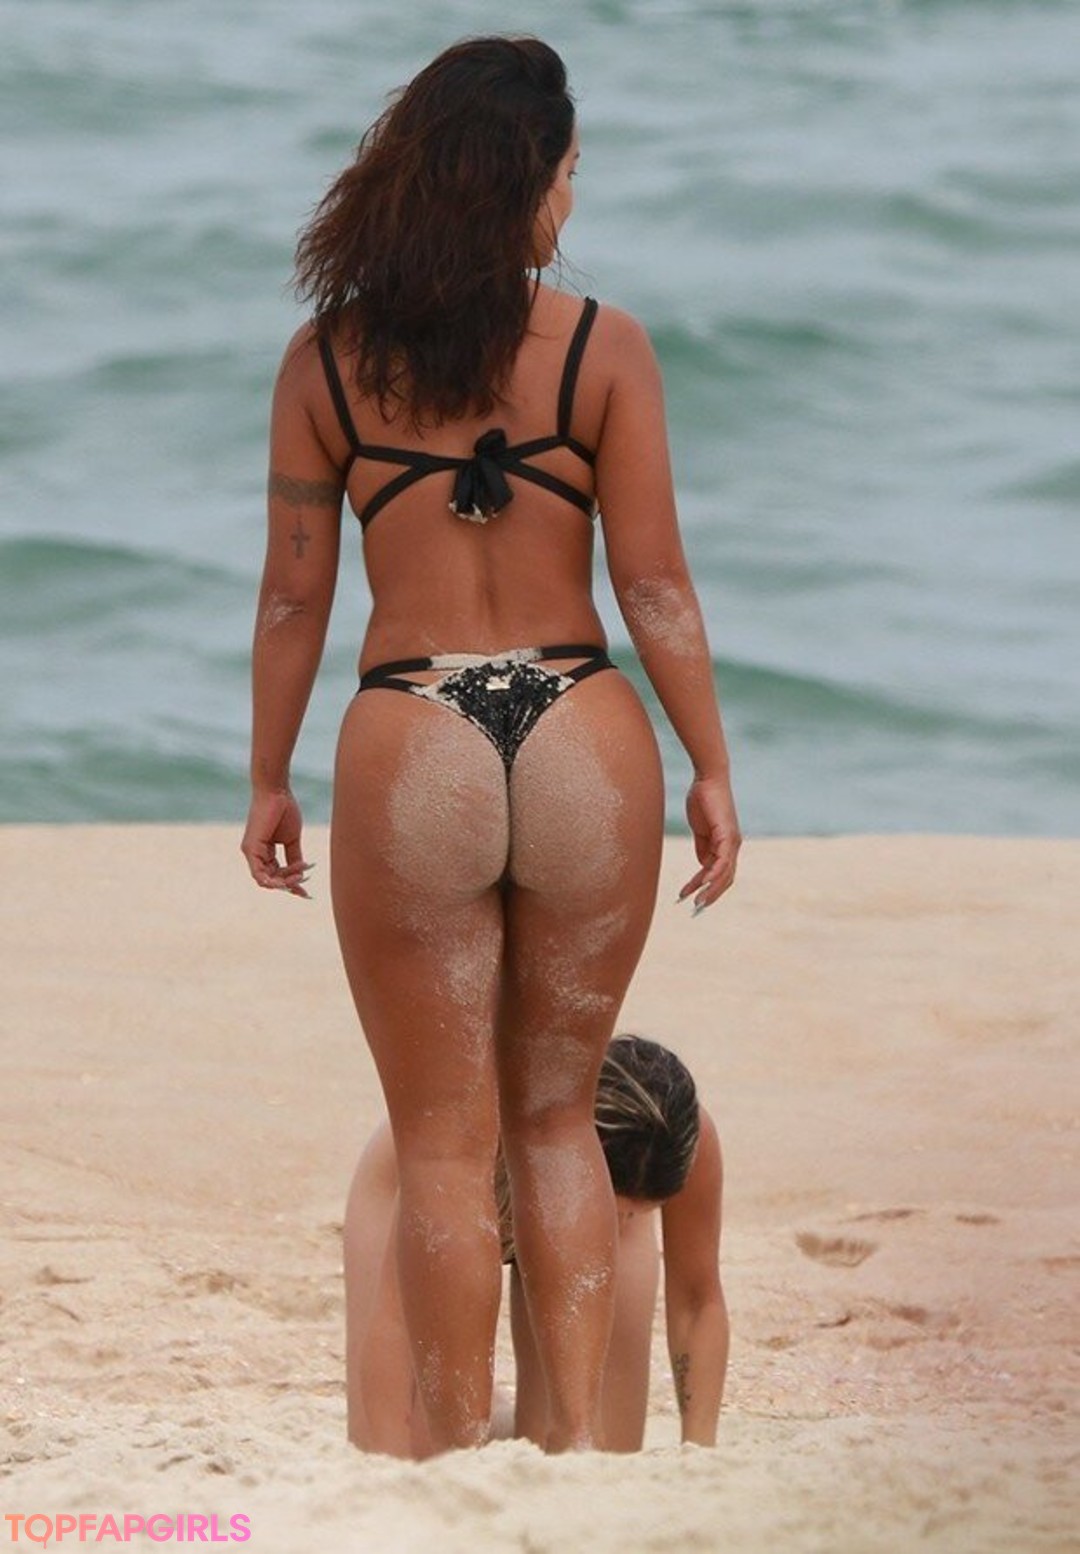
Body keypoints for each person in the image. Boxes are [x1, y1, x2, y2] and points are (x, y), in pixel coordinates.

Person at [241, 35, 740, 1454]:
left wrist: (270, 774)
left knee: (443, 1144)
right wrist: (709, 762)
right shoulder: (603, 349)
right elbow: (655, 586)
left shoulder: (327, 362)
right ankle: (567, 1457)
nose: (573, 199)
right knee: (556, 1121)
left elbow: (293, 598)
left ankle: (458, 1462)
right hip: (580, 723)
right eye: (568, 171)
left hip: (416, 732)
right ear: (522, 185)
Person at [345, 1036, 728, 1457]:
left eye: (636, 1213)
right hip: (442, 1182)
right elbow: (395, 1319)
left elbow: (697, 1301)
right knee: (417, 1450)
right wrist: (388, 1466)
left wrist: (700, 1451)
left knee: (597, 1455)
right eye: (611, 1211)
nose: (621, 1222)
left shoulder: (679, 1142)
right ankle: (491, 1416)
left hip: (570, 1205)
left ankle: (511, 1420)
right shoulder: (469, 1133)